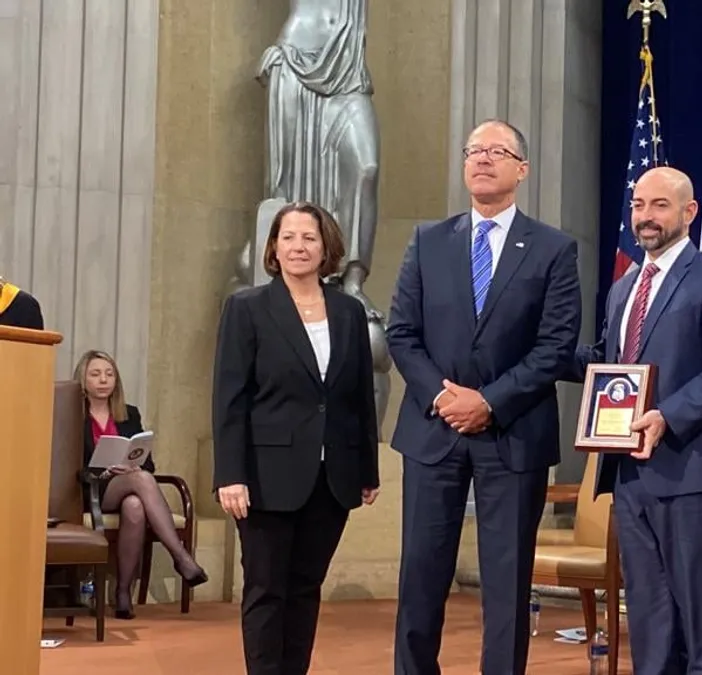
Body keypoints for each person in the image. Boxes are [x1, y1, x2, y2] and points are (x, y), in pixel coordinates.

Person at [387, 119, 582, 675]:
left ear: (522, 170)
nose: (482, 158)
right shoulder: (428, 241)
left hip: (513, 434)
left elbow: (555, 347)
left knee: (507, 582)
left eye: (497, 151)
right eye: (474, 150)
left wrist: (489, 402)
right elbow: (402, 333)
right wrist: (443, 398)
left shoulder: (553, 249)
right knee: (421, 575)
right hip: (434, 432)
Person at [569, 167, 702, 673]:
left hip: (696, 476)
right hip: (631, 477)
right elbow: (611, 364)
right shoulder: (624, 287)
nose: (645, 217)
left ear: (689, 212)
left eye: (659, 205)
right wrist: (543, 353)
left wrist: (667, 417)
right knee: (650, 625)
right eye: (638, 206)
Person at [212, 201, 381, 675]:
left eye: (309, 238)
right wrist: (230, 474)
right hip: (265, 477)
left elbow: (359, 396)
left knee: (306, 588)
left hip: (332, 478)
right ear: (273, 246)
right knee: (266, 590)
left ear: (326, 247)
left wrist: (367, 468)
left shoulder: (349, 312)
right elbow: (229, 398)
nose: (298, 247)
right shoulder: (247, 308)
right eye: (288, 237)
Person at [76, 349, 208, 619]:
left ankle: (123, 594)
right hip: (91, 489)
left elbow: (147, 463)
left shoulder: (129, 413)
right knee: (141, 480)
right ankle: (180, 557)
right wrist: (104, 471)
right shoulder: (73, 415)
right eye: (96, 374)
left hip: (126, 485)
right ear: (83, 380)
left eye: (109, 374)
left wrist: (132, 467)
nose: (103, 380)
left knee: (135, 505)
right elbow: (68, 465)